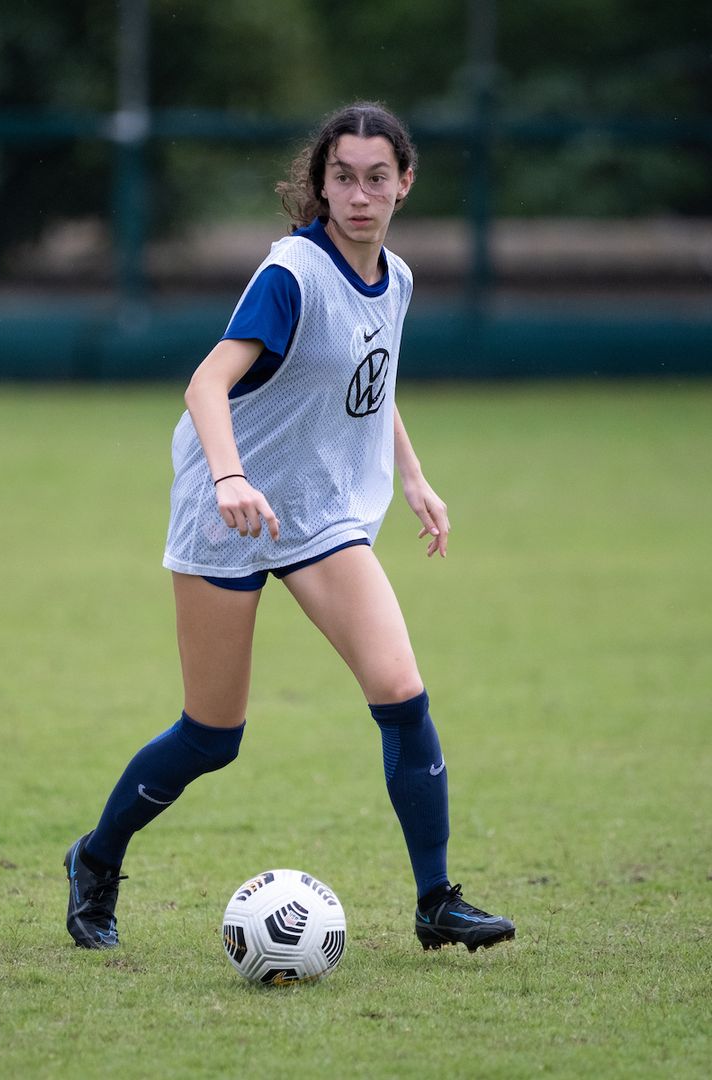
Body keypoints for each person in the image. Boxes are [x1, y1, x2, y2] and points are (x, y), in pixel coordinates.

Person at [65, 101, 515, 954]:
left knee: (401, 692)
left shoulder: (401, 279)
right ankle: (95, 859)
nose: (359, 194)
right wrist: (231, 476)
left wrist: (415, 478)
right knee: (212, 735)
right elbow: (205, 385)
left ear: (404, 184)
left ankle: (436, 902)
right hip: (226, 510)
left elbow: (368, 378)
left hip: (319, 517)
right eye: (342, 176)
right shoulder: (291, 275)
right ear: (320, 184)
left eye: (377, 177)